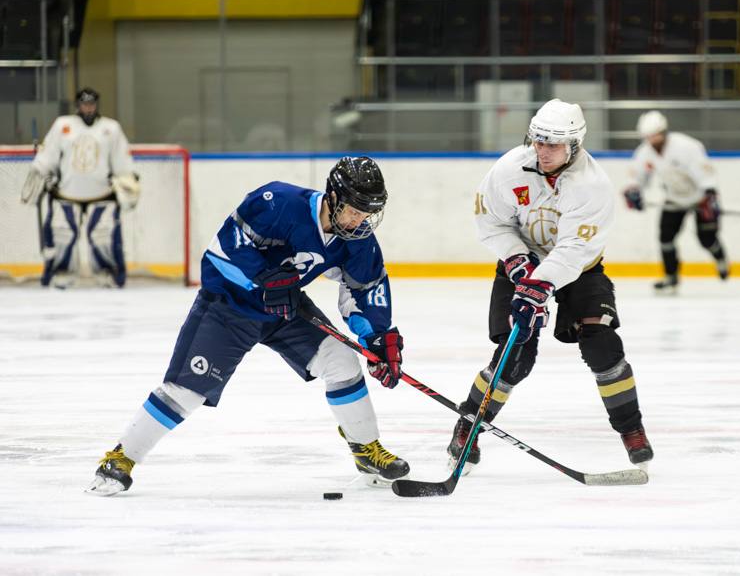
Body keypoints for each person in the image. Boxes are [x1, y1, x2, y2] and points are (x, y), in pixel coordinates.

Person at [87, 157, 410, 495]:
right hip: (229, 307)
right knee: (187, 391)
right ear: (333, 197)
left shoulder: (357, 239)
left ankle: (365, 450)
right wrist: (263, 279)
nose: (359, 221)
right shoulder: (279, 203)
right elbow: (220, 251)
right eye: (354, 210)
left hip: (285, 312)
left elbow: (365, 289)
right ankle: (121, 458)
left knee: (342, 359)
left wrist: (376, 338)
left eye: (367, 213)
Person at [448, 99, 653, 474]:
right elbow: (490, 221)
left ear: (574, 145)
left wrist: (540, 285)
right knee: (515, 356)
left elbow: (576, 250)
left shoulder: (593, 185)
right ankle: (468, 427)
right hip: (520, 267)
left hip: (579, 271)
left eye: (553, 144)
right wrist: (515, 260)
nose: (542, 151)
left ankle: (631, 429)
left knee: (602, 343)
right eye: (538, 141)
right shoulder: (510, 169)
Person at [19, 87, 140, 288]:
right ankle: (61, 273)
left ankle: (107, 273)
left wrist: (128, 178)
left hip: (102, 193)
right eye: (84, 104)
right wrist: (39, 169)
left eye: (92, 104)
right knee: (62, 233)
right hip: (67, 192)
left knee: (103, 234)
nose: (88, 108)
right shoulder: (62, 126)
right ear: (78, 105)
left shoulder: (111, 128)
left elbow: (122, 161)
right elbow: (48, 154)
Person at [623, 110, 729, 292]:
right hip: (675, 198)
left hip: (699, 198)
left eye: (655, 136)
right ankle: (671, 277)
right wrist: (633, 190)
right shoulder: (645, 152)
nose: (653, 141)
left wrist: (710, 195)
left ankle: (720, 259)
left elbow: (705, 172)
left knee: (707, 239)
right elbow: (638, 176)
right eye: (648, 137)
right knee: (665, 238)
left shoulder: (687, 146)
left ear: (664, 131)